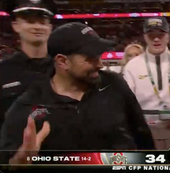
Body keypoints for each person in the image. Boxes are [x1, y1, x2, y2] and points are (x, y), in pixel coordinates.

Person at [0, 22, 155, 164]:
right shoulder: (29, 105)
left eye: (99, 56)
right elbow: (9, 161)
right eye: (90, 59)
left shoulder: (114, 84)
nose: (100, 64)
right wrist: (19, 161)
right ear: (62, 61)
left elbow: (141, 134)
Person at [123, 17, 170, 150]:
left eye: (160, 35)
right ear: (145, 37)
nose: (156, 39)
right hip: (144, 129)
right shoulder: (132, 66)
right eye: (151, 35)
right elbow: (127, 100)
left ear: (168, 36)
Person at [0, 0, 57, 129]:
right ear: (16, 25)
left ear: (50, 27)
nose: (37, 27)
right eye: (30, 21)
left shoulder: (65, 70)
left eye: (42, 22)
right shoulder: (3, 71)